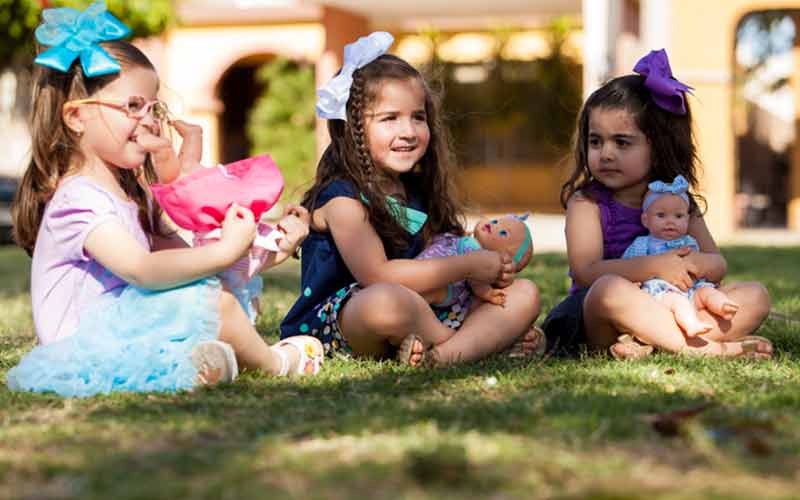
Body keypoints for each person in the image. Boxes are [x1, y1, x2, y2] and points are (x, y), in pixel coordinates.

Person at [6, 2, 323, 397]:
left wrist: (271, 245)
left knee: (211, 286)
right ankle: (277, 362)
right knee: (216, 300)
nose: (150, 120)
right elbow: (143, 268)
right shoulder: (77, 199)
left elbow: (186, 257)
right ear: (75, 117)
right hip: (83, 348)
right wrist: (225, 252)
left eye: (154, 107)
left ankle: (205, 362)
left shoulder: (130, 190)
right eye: (133, 106)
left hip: (130, 328)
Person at [280, 32, 542, 366]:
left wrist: (482, 276)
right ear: (352, 130)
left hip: (424, 313)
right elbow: (377, 275)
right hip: (351, 321)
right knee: (387, 300)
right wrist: (467, 265)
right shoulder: (343, 201)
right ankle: (475, 343)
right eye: (390, 118)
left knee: (525, 293)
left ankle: (444, 354)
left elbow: (436, 255)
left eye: (417, 116)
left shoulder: (414, 189)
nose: (408, 131)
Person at [542, 48, 773, 360]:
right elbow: (585, 272)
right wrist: (657, 267)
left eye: (621, 142)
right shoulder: (588, 203)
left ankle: (655, 343)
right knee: (607, 290)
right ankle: (704, 350)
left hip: (677, 307)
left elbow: (717, 264)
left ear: (659, 146)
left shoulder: (677, 201)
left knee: (755, 295)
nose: (605, 153)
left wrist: (696, 265)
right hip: (603, 320)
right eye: (595, 141)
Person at [621, 175, 740, 338]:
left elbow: (702, 266)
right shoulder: (642, 244)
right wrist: (633, 282)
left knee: (706, 291)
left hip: (690, 289)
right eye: (661, 216)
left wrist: (704, 271)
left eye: (678, 216)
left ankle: (722, 306)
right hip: (661, 293)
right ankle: (691, 325)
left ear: (687, 219)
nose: (670, 222)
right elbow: (629, 266)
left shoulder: (690, 241)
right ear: (645, 220)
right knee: (678, 301)